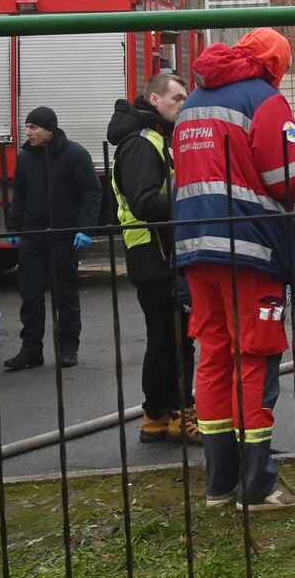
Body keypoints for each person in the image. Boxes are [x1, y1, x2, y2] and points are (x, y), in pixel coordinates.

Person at [173, 28, 295, 511]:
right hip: (250, 250)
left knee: (214, 357)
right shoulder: (265, 100)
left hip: (195, 249)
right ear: (275, 64)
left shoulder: (192, 101)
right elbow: (288, 181)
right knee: (254, 357)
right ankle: (258, 486)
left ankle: (219, 485)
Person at [108, 72, 198, 444]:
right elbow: (145, 202)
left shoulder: (153, 138)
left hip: (153, 251)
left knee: (163, 338)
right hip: (155, 252)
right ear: (154, 100)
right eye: (176, 98)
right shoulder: (143, 143)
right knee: (178, 338)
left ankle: (156, 416)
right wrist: (190, 200)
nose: (183, 104)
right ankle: (180, 413)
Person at [2, 106, 100, 372]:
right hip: (33, 235)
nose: (28, 132)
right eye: (28, 127)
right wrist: (14, 228)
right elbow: (19, 194)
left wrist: (84, 228)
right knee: (30, 294)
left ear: (49, 130)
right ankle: (31, 349)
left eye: (33, 127)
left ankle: (69, 347)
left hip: (63, 235)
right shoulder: (25, 157)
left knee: (64, 294)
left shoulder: (75, 155)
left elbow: (91, 193)